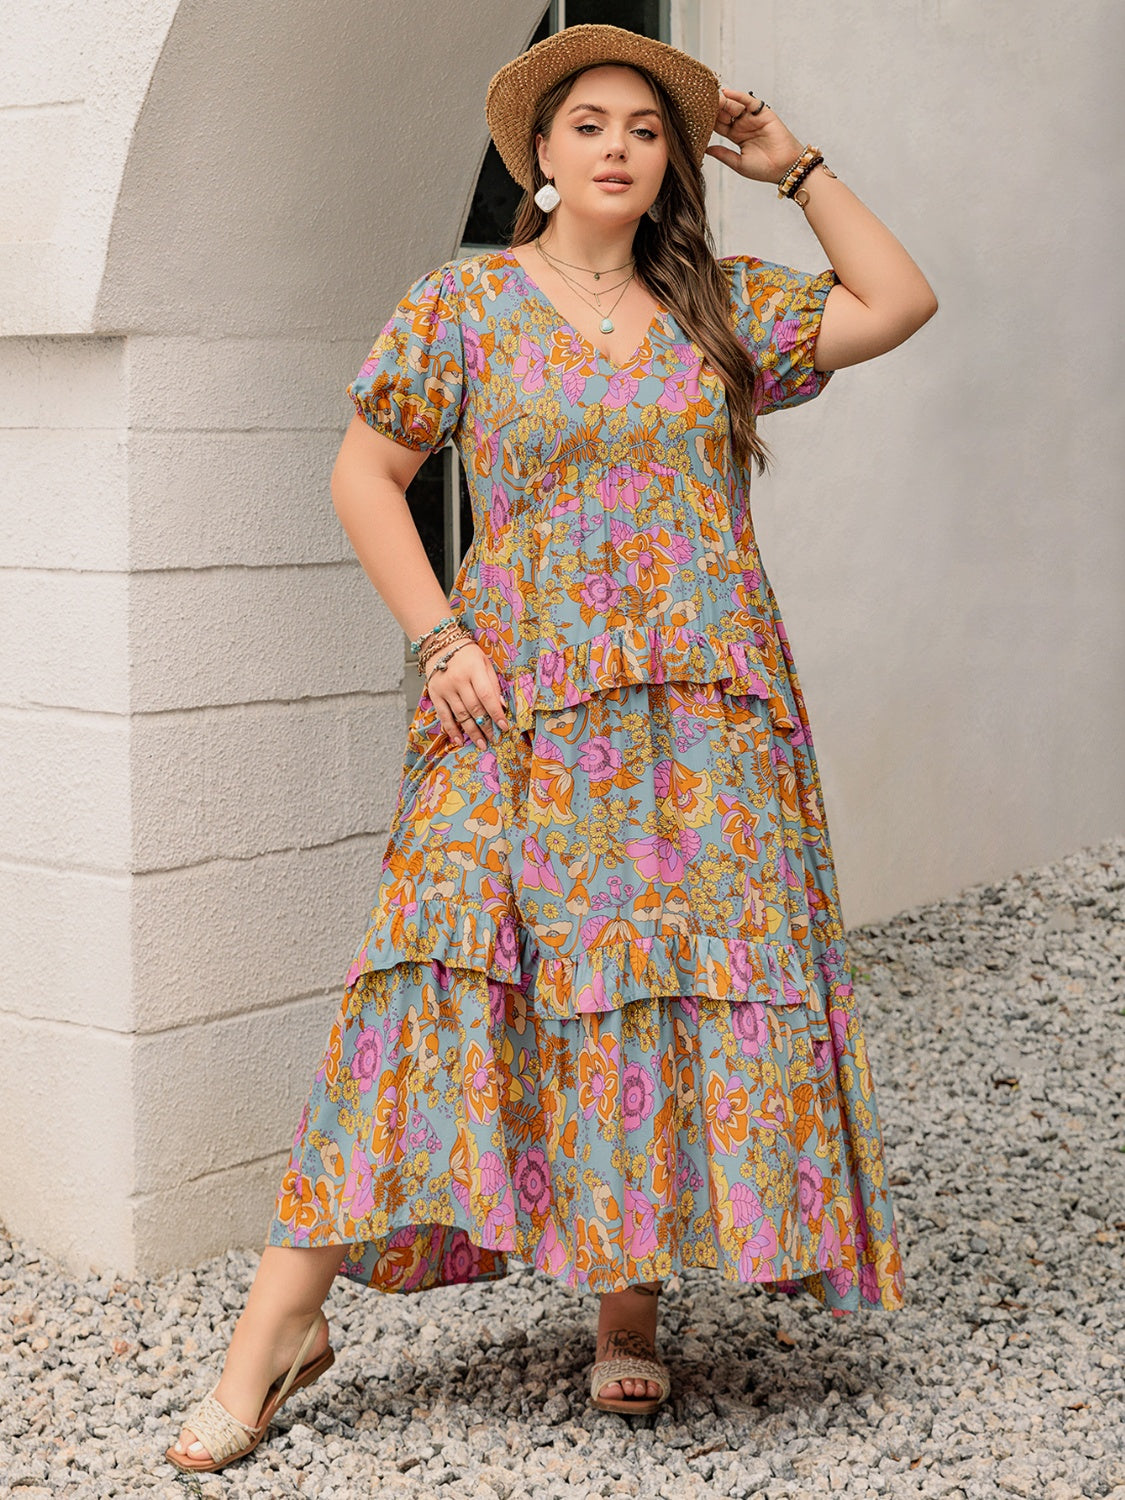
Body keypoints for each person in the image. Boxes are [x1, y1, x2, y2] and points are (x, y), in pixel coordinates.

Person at [166, 22, 937, 1473]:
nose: (617, 149)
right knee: (422, 984)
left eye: (645, 129)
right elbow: (366, 474)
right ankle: (277, 1329)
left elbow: (897, 299)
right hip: (511, 704)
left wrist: (795, 166)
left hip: (700, 723)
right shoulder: (464, 302)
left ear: (672, 162)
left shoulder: (720, 309)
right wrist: (440, 639)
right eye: (589, 124)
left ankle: (626, 1306)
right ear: (538, 153)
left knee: (647, 989)